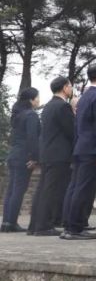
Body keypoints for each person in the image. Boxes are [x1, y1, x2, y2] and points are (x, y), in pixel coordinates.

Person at [61, 63, 96, 240]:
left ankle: (69, 225)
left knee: (75, 187)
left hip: (81, 147)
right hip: (92, 149)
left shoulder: (84, 97)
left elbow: (78, 126)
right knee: (84, 189)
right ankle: (75, 228)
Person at [29, 77, 74, 236]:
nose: (71, 88)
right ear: (64, 88)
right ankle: (43, 226)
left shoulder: (48, 106)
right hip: (59, 154)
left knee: (42, 189)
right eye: (69, 85)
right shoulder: (63, 106)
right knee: (51, 191)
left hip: (47, 153)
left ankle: (34, 225)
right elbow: (71, 131)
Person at [1, 88, 41, 233]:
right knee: (18, 190)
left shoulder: (17, 115)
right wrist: (35, 157)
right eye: (37, 97)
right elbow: (33, 138)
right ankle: (11, 223)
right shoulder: (31, 115)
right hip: (25, 157)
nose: (38, 100)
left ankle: (6, 222)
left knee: (11, 190)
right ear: (31, 100)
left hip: (14, 155)